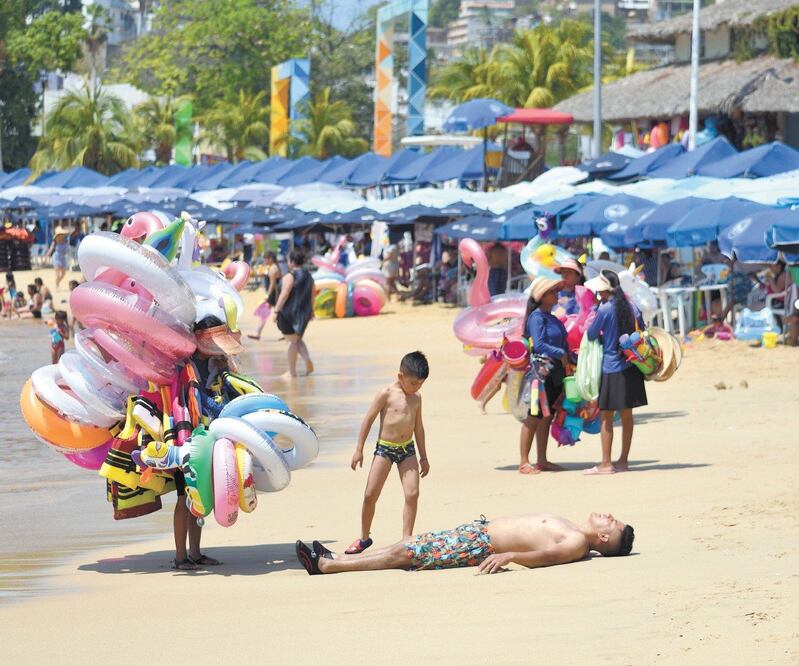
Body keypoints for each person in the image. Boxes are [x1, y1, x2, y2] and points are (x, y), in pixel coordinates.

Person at [295, 511, 634, 575]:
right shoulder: (574, 528)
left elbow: (547, 555)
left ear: (603, 538)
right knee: (412, 543)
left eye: (612, 522)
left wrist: (509, 555)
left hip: (481, 546)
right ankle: (336, 557)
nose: (608, 515)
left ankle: (330, 565)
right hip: (478, 534)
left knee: (408, 553)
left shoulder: (576, 542)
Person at [170, 315, 242, 570]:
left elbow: (231, 394)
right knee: (184, 495)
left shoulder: (214, 364)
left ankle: (196, 553)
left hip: (209, 436)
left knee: (198, 494)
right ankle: (180, 557)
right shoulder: (184, 367)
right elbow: (199, 401)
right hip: (185, 437)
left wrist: (224, 370)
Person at [347, 351, 430, 554]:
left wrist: (424, 457)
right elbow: (369, 419)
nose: (416, 387)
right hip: (385, 449)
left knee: (412, 493)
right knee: (370, 495)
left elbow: (418, 428)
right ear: (400, 376)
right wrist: (359, 449)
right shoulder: (386, 393)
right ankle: (365, 538)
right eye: (413, 383)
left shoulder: (416, 398)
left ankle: (406, 538)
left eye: (420, 383)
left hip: (407, 450)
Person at [583, 270, 647, 475]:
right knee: (627, 416)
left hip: (611, 367)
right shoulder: (632, 306)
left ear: (604, 290)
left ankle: (606, 463)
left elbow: (592, 334)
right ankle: (623, 460)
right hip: (632, 365)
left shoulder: (605, 309)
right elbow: (643, 329)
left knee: (606, 417)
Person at [519, 277, 569, 474]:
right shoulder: (537, 317)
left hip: (554, 373)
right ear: (542, 297)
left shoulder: (552, 317)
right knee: (534, 416)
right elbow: (538, 345)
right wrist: (561, 354)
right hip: (540, 375)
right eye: (552, 291)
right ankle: (524, 461)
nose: (557, 294)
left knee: (547, 417)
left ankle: (542, 459)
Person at [273, 250, 314, 379]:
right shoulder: (309, 276)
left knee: (292, 342)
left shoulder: (290, 276)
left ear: (291, 261)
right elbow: (313, 293)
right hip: (303, 314)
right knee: (296, 339)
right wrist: (311, 310)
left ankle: (291, 372)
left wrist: (276, 311)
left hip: (289, 314)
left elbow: (284, 293)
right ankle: (307, 360)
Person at [248, 251, 282, 340]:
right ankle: (286, 333)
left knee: (266, 313)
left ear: (270, 259)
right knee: (278, 313)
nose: (264, 261)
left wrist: (268, 295)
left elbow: (272, 284)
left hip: (274, 294)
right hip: (275, 294)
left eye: (265, 259)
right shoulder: (274, 267)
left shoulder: (273, 269)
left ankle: (258, 333)